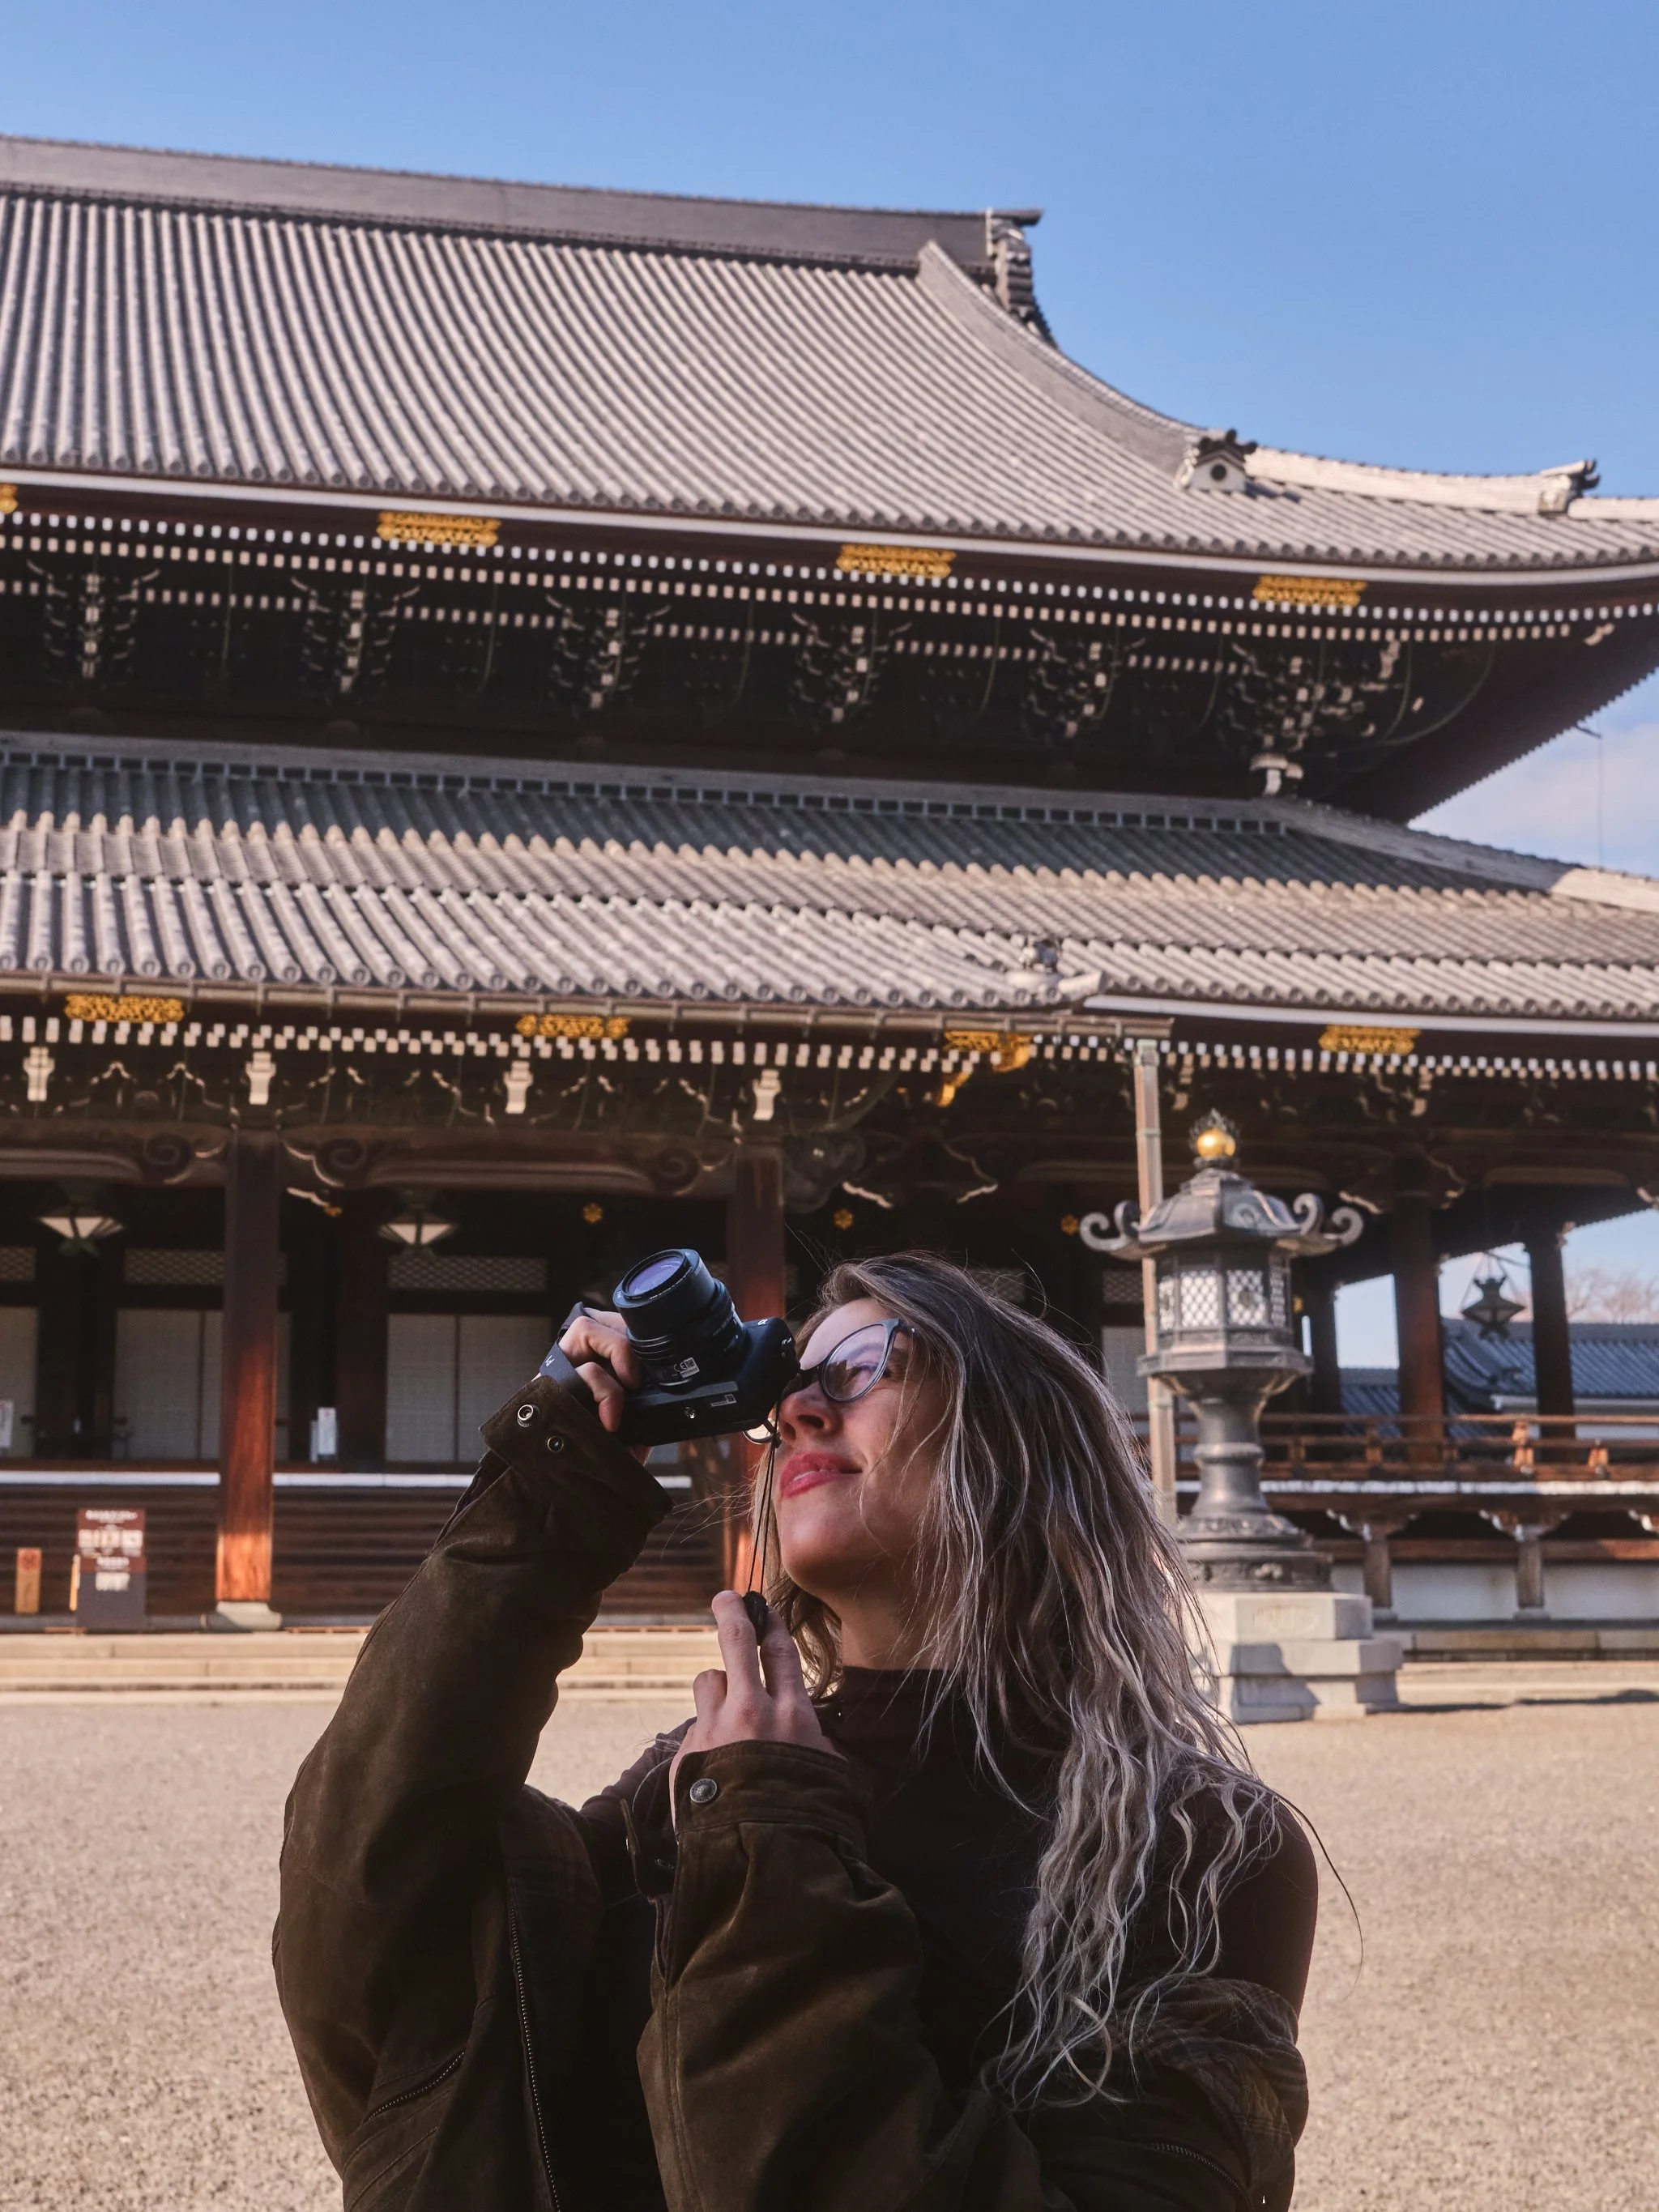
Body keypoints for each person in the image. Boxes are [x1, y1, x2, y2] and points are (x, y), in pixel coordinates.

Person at [276, 1251, 1316, 2212]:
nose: (800, 1410)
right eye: (785, 1389)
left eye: (863, 1365)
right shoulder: (699, 1779)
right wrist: (548, 1498)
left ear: (1022, 1437)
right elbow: (378, 1949)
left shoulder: (1194, 1843)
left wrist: (775, 1855)